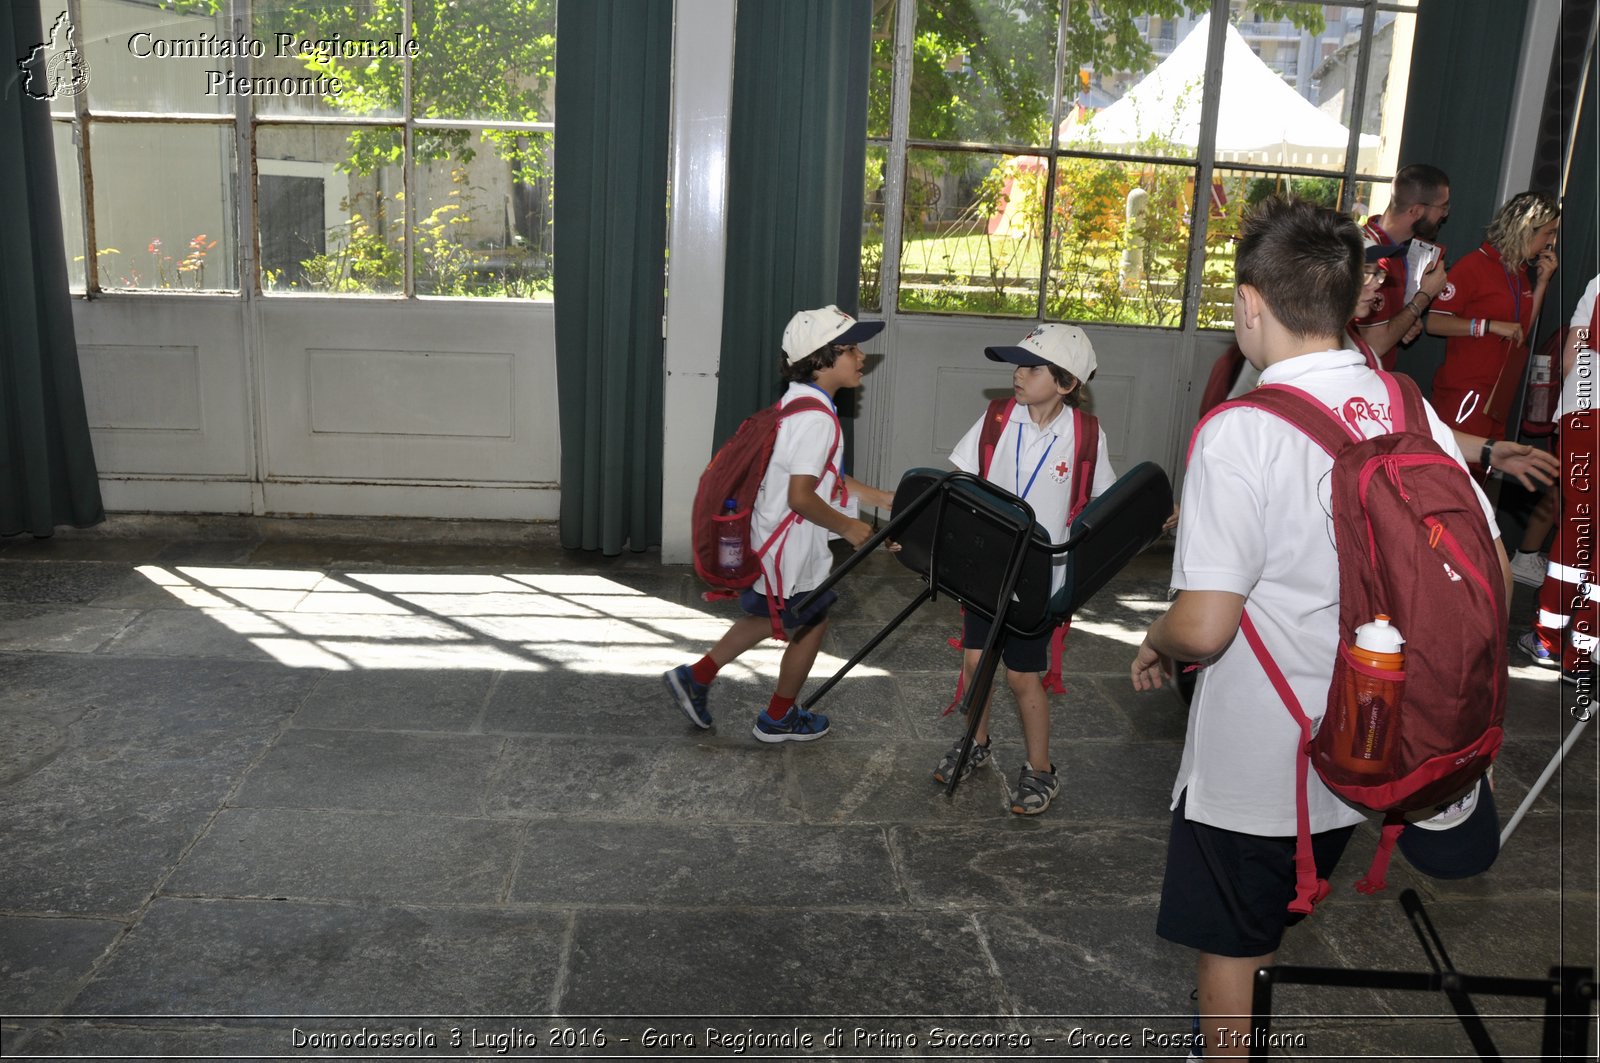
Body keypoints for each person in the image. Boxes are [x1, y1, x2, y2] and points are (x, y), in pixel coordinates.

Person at [1130, 197, 1507, 1059]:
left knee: (1230, 945)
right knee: (1267, 923)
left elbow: (1207, 622)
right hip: (1366, 743)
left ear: (1251, 305)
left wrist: (1157, 634)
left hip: (1261, 758)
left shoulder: (1241, 433)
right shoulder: (1401, 400)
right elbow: (1479, 544)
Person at [662, 306, 896, 743]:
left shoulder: (799, 403)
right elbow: (802, 496)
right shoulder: (817, 420)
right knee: (811, 622)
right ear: (824, 358)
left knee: (771, 616)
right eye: (852, 349)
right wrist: (848, 526)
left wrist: (878, 497)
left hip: (776, 541)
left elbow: (817, 473)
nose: (862, 357)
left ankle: (698, 676)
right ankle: (778, 717)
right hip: (792, 547)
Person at [935, 323, 1116, 815]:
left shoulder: (1085, 436)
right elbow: (959, 478)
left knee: (1022, 676)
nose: (1018, 374)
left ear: (1066, 383)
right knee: (975, 663)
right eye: (1017, 364)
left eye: (1031, 367)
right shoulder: (996, 418)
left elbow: (1103, 503)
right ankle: (976, 741)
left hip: (1039, 577)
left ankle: (1041, 770)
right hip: (986, 570)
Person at [1425, 191, 1561, 461]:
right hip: (1466, 391)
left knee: (1483, 475)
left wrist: (1543, 283)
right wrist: (1488, 326)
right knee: (1455, 470)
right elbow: (1434, 322)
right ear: (1525, 229)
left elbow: (1520, 332)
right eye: (1548, 233)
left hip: (1497, 396)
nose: (1551, 241)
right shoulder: (1473, 265)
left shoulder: (1519, 272)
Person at [1519, 273, 1599, 684]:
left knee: (1578, 526)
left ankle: (1548, 640)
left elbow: (1571, 359)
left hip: (1587, 412)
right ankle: (1585, 650)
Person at [1352, 163, 1453, 369]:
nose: (1445, 214)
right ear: (1415, 210)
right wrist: (1424, 296)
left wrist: (1403, 322)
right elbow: (1376, 345)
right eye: (1442, 207)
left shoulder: (1396, 250)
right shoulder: (1371, 256)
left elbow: (1384, 329)